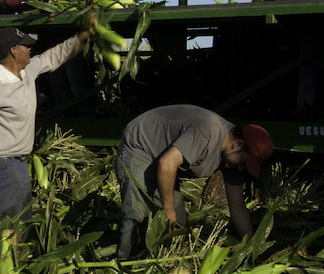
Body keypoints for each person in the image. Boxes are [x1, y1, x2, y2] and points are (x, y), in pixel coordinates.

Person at [0, 23, 93, 238]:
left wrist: (81, 38)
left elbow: (52, 57)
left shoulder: (27, 70)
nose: (30, 49)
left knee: (22, 210)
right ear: (13, 51)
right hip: (0, 158)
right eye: (25, 46)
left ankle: (19, 252)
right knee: (5, 210)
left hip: (18, 158)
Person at [114, 105, 273, 259]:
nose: (241, 169)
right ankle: (126, 267)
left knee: (178, 222)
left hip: (164, 158)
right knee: (138, 215)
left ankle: (153, 263)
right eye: (244, 163)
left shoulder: (232, 159)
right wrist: (168, 210)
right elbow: (167, 163)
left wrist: (252, 247)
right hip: (140, 147)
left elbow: (237, 207)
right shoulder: (207, 132)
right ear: (237, 144)